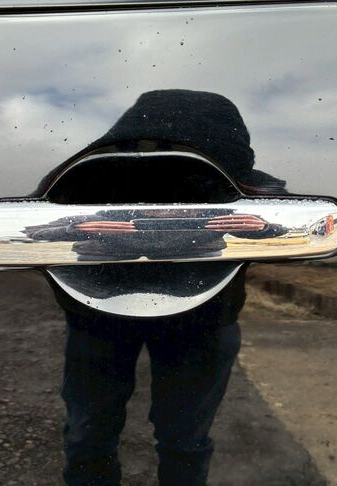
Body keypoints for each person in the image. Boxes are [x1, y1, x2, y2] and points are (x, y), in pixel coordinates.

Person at [42, 90, 288, 485]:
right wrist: (74, 226)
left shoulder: (245, 185)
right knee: (106, 435)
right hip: (107, 314)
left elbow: (294, 223)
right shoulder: (88, 176)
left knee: (118, 436)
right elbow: (38, 226)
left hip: (190, 320)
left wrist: (263, 225)